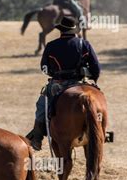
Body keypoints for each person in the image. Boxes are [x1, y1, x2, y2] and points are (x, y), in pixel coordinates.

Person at [27, 12, 101, 151]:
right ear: (74, 30)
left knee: (41, 105)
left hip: (58, 84)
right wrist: (94, 80)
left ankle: (37, 137)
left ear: (61, 30)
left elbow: (44, 68)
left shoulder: (51, 45)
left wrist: (53, 73)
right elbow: (96, 67)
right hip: (79, 82)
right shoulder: (84, 44)